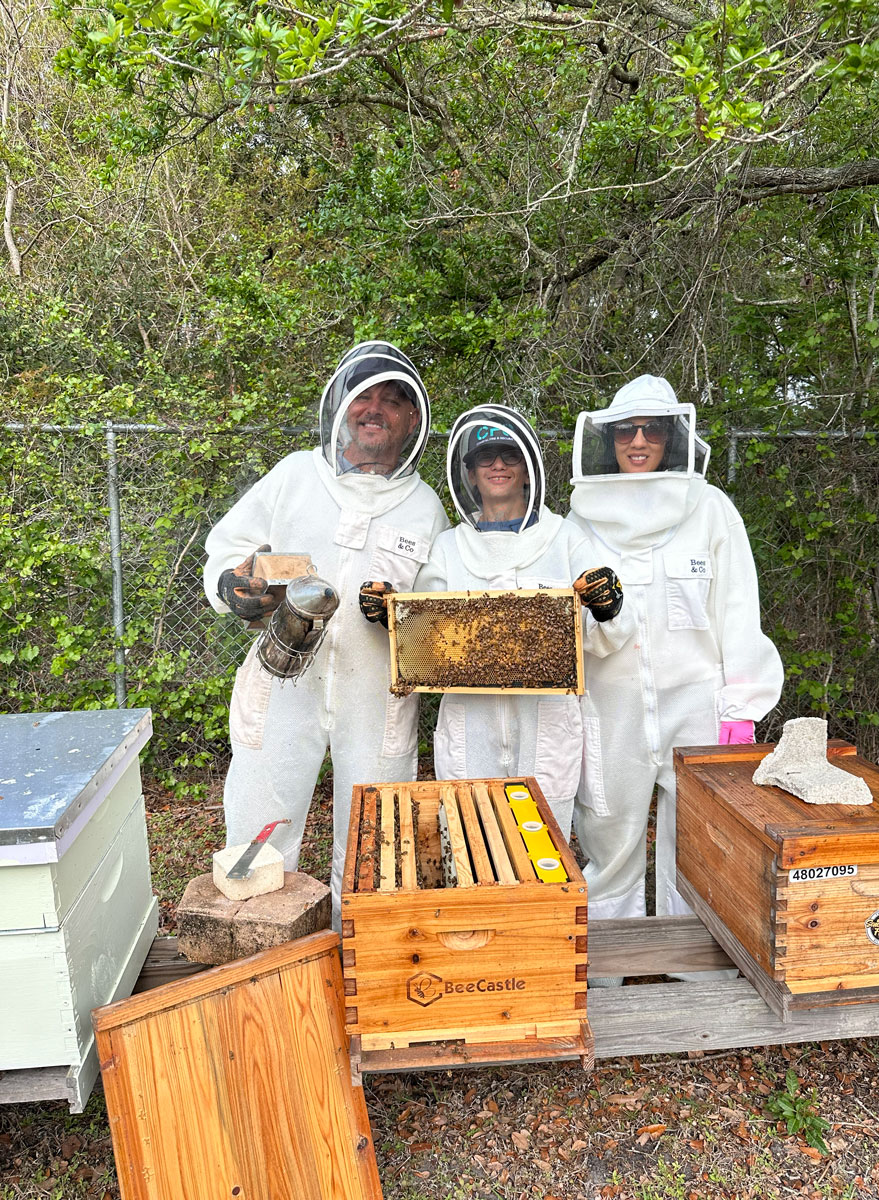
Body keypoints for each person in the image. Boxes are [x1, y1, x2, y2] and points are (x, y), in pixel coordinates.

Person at [203, 341, 449, 917]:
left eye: (392, 401)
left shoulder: (425, 507)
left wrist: (403, 618)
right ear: (341, 405)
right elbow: (228, 550)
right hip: (282, 684)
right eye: (364, 396)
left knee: (379, 844)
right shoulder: (295, 476)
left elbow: (439, 614)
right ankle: (261, 951)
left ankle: (360, 957)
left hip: (378, 698)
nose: (374, 409)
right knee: (257, 840)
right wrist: (232, 585)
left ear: (412, 420)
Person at [567, 375, 784, 954]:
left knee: (698, 841)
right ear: (609, 438)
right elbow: (573, 621)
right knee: (609, 838)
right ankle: (609, 966)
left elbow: (737, 608)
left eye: (652, 430)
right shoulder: (581, 519)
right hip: (609, 707)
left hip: (696, 705)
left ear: (672, 438)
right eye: (626, 431)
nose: (639, 441)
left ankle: (689, 964)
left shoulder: (710, 509)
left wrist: (741, 706)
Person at [363, 404, 634, 837]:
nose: (498, 465)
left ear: (527, 470)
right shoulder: (448, 548)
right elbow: (424, 638)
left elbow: (605, 636)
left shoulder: (565, 539)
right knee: (472, 842)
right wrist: (389, 616)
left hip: (547, 725)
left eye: (510, 455)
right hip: (470, 724)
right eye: (485, 457)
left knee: (543, 850)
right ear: (470, 474)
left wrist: (608, 608)